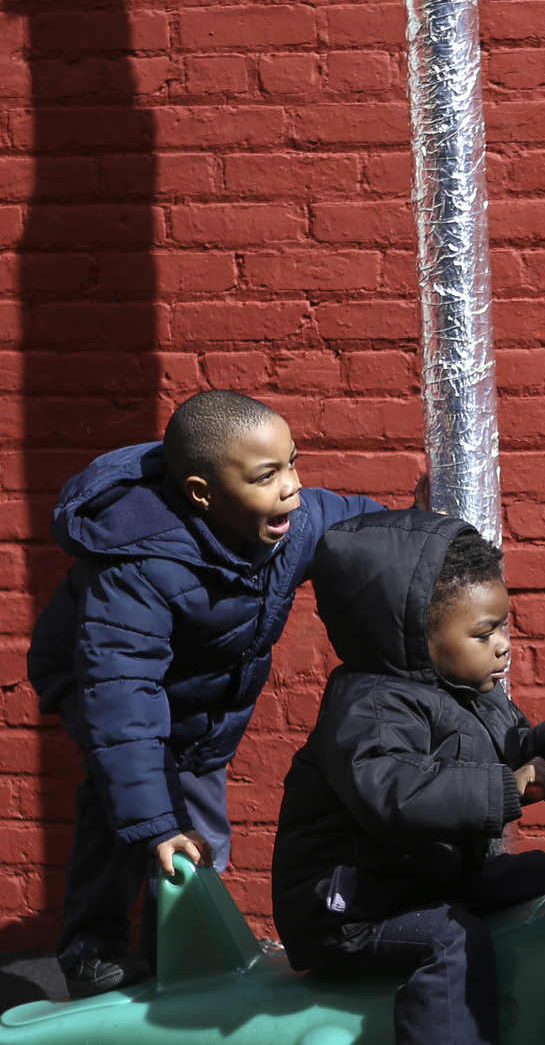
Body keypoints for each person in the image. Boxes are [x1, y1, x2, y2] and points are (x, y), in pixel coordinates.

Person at [270, 508, 545, 1045]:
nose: (503, 644)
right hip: (345, 903)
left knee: (539, 875)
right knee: (450, 938)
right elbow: (397, 796)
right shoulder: (368, 707)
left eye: (502, 625)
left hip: (413, 877)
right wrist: (512, 787)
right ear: (418, 636)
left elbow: (514, 747)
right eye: (484, 631)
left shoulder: (466, 691)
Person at [28, 390, 382, 1000]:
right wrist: (154, 824)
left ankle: (174, 956)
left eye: (294, 463)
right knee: (130, 816)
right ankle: (93, 950)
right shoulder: (137, 565)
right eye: (268, 475)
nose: (292, 487)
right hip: (104, 686)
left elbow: (364, 522)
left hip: (197, 699)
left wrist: (425, 522)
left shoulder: (288, 526)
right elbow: (123, 698)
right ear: (202, 492)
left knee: (201, 830)